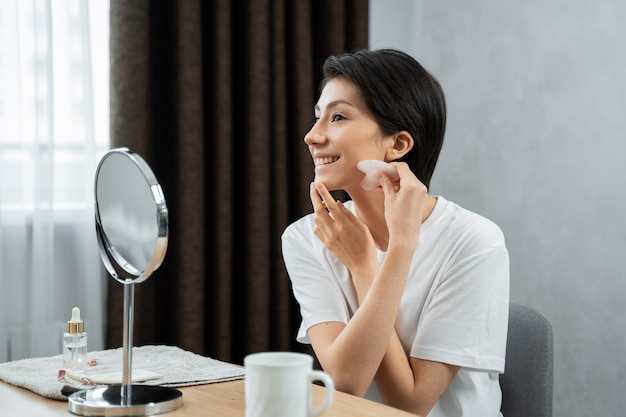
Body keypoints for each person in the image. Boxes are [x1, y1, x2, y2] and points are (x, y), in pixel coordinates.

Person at [281, 48, 509, 417]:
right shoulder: (306, 238)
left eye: (337, 117)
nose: (311, 136)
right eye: (317, 117)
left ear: (398, 144)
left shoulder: (473, 240)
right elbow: (347, 383)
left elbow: (412, 403)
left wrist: (381, 258)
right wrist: (364, 263)